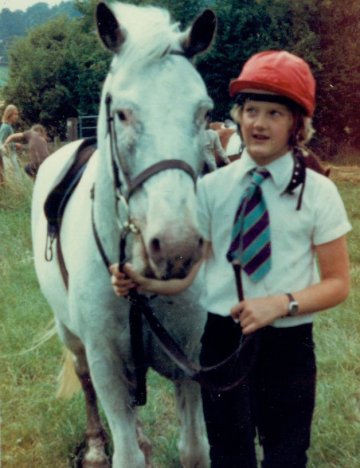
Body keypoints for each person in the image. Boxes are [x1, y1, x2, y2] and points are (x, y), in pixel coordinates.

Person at [109, 50, 351, 467]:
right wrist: (142, 283)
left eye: (274, 113)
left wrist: (282, 303)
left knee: (286, 454)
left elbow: (337, 283)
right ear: (237, 116)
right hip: (222, 340)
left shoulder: (318, 193)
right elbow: (189, 276)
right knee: (229, 454)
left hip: (288, 344)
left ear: (298, 124)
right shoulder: (212, 189)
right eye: (250, 110)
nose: (258, 123)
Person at [0, 104, 20, 183]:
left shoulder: (9, 126)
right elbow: (1, 143)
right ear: (9, 114)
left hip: (11, 155)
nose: (17, 116)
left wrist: (14, 145)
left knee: (16, 177)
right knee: (15, 178)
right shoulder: (6, 127)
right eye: (15, 114)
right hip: (8, 157)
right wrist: (15, 145)